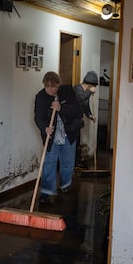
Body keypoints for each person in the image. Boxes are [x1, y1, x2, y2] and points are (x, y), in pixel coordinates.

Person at [34, 71, 83, 203]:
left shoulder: (68, 91)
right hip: (52, 134)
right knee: (49, 162)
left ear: (58, 85)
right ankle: (46, 191)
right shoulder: (40, 96)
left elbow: (77, 111)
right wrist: (45, 127)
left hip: (69, 132)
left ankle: (65, 185)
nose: (50, 89)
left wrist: (61, 107)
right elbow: (38, 117)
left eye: (53, 86)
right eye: (47, 86)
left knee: (67, 161)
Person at [72, 71, 98, 167]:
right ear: (89, 84)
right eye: (93, 86)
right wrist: (89, 92)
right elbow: (80, 98)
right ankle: (73, 162)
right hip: (70, 120)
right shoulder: (77, 88)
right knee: (73, 142)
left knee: (78, 141)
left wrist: (90, 115)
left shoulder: (87, 92)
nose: (93, 88)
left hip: (78, 120)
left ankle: (77, 162)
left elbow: (85, 106)